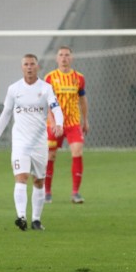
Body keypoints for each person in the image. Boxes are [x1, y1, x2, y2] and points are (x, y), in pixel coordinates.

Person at [0, 54, 63, 231]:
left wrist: (59, 123)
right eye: (26, 64)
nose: (29, 67)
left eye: (32, 64)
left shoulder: (46, 88)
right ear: (22, 68)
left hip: (39, 143)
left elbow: (56, 108)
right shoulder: (14, 89)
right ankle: (21, 216)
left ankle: (36, 219)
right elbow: (6, 114)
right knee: (21, 178)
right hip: (20, 143)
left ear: (38, 67)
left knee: (39, 181)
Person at [44, 46, 89, 204]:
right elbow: (47, 102)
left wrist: (86, 120)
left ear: (72, 58)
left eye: (67, 55)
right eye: (61, 55)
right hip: (54, 124)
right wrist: (52, 122)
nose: (64, 58)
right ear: (57, 58)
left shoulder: (79, 78)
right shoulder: (50, 78)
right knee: (50, 156)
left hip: (73, 123)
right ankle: (47, 192)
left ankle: (75, 193)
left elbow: (83, 100)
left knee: (77, 151)